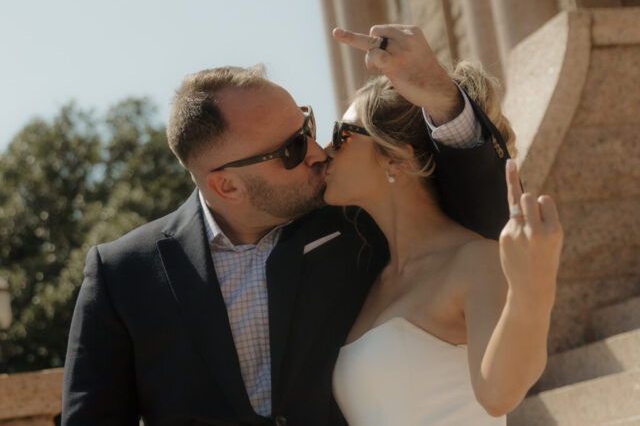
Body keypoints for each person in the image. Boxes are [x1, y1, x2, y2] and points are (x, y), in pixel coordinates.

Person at [61, 24, 512, 426]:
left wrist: (443, 100)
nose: (317, 151)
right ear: (226, 186)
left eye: (307, 125)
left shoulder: (354, 221)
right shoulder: (122, 275)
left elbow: (479, 221)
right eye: (292, 149)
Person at [327, 26, 563, 425]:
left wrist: (533, 291)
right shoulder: (368, 279)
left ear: (395, 160)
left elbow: (499, 394)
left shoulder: (477, 260)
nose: (326, 149)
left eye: (343, 135)